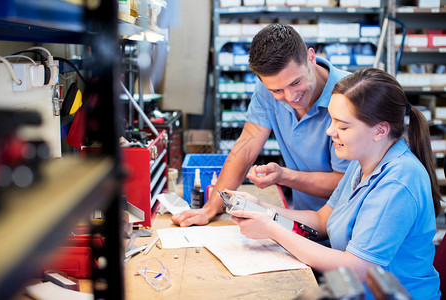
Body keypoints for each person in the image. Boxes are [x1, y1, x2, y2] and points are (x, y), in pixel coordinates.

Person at [229, 68, 441, 299]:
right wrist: (261, 209)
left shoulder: (397, 183)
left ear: (380, 130)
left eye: (343, 126)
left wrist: (272, 229)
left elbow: (357, 269)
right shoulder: (363, 160)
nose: (331, 131)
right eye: (331, 120)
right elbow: (322, 220)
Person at [172, 24, 350, 227]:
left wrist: (285, 176)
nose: (291, 97)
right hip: (305, 222)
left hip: (347, 226)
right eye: (277, 91)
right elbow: (246, 147)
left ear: (311, 57)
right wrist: (211, 208)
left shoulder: (351, 96)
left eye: (296, 83)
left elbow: (347, 183)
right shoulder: (268, 87)